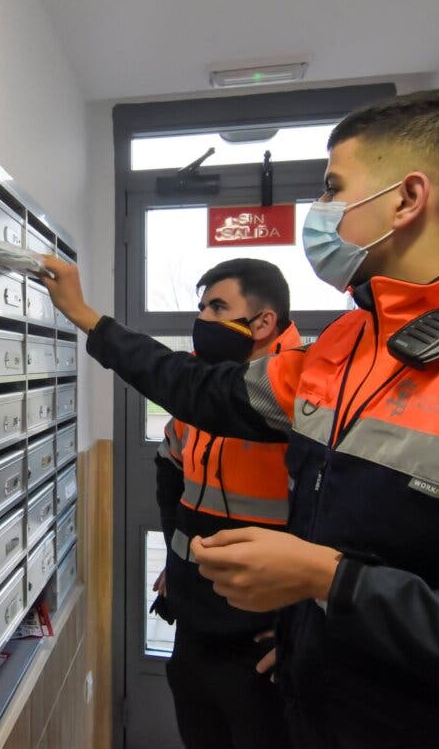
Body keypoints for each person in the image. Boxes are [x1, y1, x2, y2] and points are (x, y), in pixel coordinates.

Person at [40, 89, 439, 748]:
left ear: (408, 199)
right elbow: (198, 389)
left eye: (332, 188)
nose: (318, 213)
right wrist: (90, 320)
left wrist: (328, 581)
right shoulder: (344, 349)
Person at [152, 259, 299, 749]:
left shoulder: (304, 394)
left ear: (263, 322)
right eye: (202, 308)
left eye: (218, 308)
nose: (203, 321)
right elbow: (170, 470)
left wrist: (307, 629)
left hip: (264, 636)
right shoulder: (201, 388)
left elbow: (344, 523)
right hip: (195, 622)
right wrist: (175, 565)